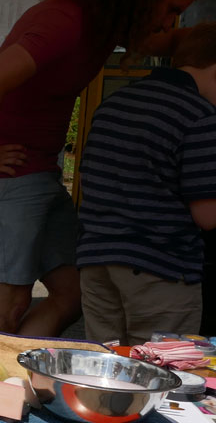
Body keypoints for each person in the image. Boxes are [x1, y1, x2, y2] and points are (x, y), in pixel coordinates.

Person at [0, 0, 202, 337]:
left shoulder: (104, 23)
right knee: (8, 306)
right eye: (171, 9)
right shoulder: (67, 22)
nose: (170, 23)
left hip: (37, 176)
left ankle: (11, 374)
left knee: (74, 295)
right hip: (3, 180)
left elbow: (163, 43)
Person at [77, 22, 216, 346]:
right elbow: (207, 215)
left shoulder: (114, 103)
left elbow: (89, 177)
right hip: (161, 267)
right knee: (160, 374)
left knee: (104, 366)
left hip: (97, 260)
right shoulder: (200, 115)